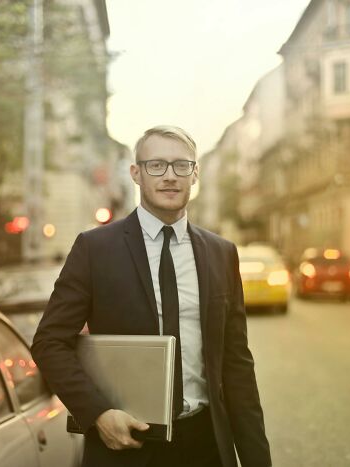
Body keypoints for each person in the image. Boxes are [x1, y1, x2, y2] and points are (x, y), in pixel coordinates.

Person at [32, 125, 272, 467]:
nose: (170, 176)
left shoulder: (221, 253)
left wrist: (256, 460)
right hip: (126, 443)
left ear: (195, 174)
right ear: (136, 173)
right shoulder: (95, 249)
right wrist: (98, 413)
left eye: (181, 166)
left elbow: (237, 365)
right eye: (156, 165)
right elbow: (49, 342)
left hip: (206, 445)